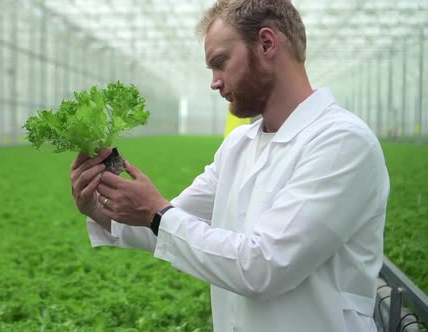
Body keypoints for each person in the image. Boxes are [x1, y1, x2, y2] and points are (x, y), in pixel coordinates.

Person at [69, 0, 390, 331]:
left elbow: (264, 267)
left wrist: (157, 214)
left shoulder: (340, 142)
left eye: (220, 63)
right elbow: (167, 226)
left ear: (266, 43)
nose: (214, 81)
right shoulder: (239, 145)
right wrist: (101, 207)